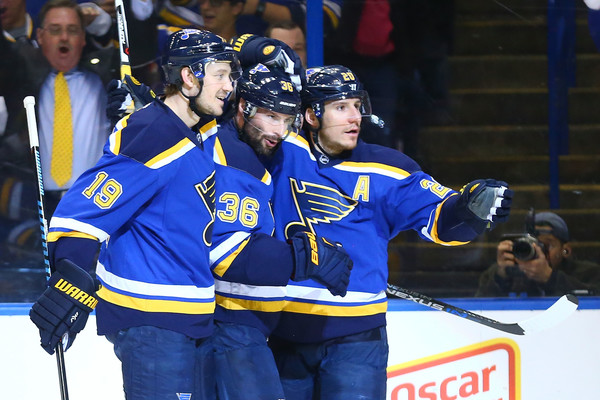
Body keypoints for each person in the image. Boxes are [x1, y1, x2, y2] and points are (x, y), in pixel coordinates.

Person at [266, 65, 513, 399]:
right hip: (282, 333)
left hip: (356, 339)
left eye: (357, 105)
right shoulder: (279, 151)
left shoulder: (388, 168)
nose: (355, 117)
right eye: (341, 107)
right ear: (311, 115)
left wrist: (469, 209)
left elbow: (443, 222)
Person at [29, 28, 242, 399]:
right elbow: (80, 215)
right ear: (190, 77)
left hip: (191, 321)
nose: (229, 86)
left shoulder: (194, 132)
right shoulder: (155, 133)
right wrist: (71, 282)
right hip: (154, 323)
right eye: (221, 74)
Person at [207, 63, 353, 400]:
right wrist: (304, 257)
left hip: (248, 325)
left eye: (287, 121)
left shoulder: (261, 152)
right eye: (271, 117)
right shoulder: (231, 157)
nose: (279, 130)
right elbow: (226, 252)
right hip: (229, 322)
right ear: (244, 107)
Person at [476, 211, 600, 297]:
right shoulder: (508, 272)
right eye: (533, 245)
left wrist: (550, 278)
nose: (540, 251)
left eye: (546, 245)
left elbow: (592, 303)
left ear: (566, 250)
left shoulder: (589, 273)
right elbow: (479, 307)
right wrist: (500, 277)